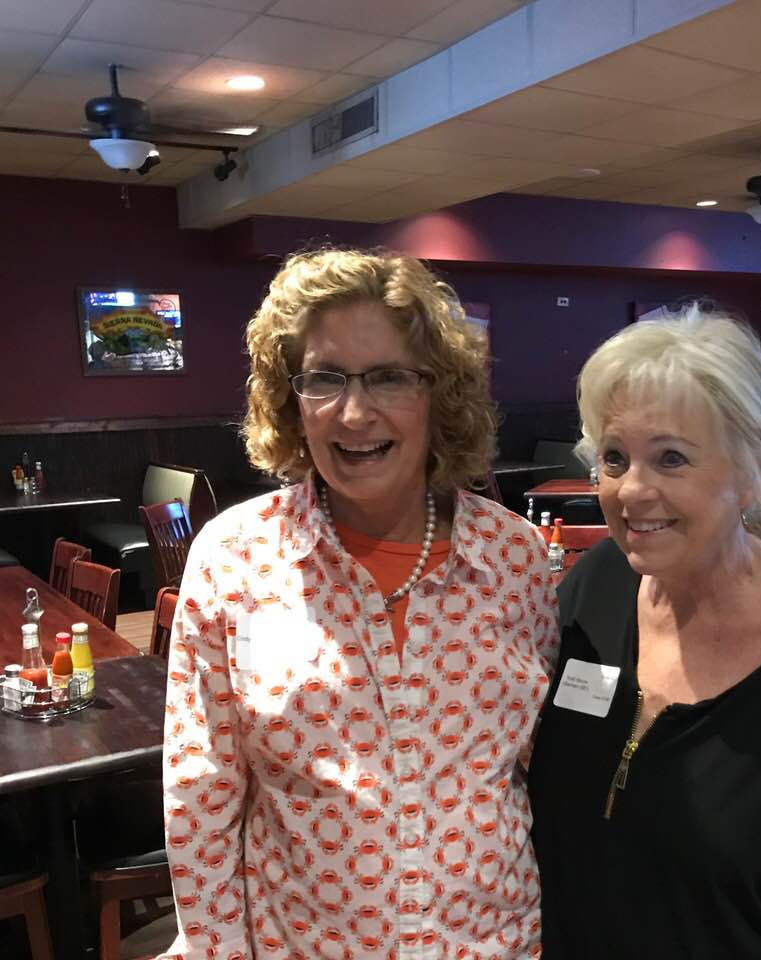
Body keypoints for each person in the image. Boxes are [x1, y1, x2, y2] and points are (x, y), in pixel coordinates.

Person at [157, 247, 559, 960]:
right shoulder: (233, 559)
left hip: (498, 944)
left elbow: (546, 770)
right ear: (291, 399)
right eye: (325, 379)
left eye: (389, 377)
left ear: (439, 394)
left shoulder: (513, 558)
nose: (353, 412)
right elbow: (201, 791)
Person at [529, 305, 761, 959]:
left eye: (671, 459)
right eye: (614, 457)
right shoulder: (597, 584)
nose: (631, 491)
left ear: (751, 470)